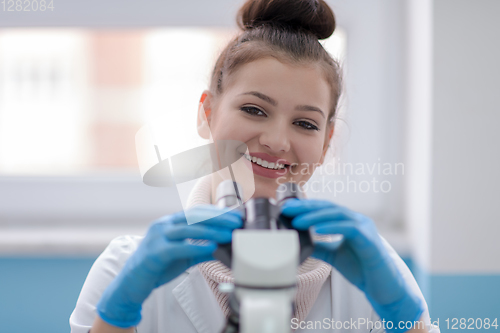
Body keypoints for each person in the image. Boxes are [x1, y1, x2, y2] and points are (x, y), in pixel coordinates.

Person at [70, 0, 440, 332]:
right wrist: (116, 317)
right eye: (254, 110)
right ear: (207, 113)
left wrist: (404, 316)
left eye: (305, 124)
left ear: (326, 143)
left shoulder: (373, 271)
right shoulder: (126, 268)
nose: (278, 141)